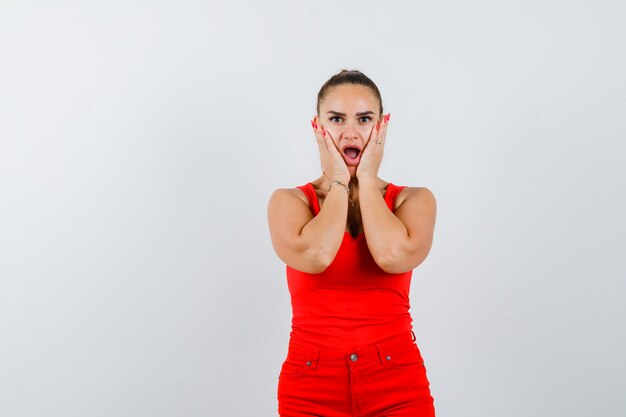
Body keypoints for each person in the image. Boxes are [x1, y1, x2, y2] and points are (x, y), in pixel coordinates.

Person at [267, 69, 437, 417]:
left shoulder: (414, 201)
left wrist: (369, 180)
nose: (350, 131)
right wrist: (342, 181)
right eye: (336, 119)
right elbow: (316, 254)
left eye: (364, 119)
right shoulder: (289, 202)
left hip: (397, 381)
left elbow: (392, 255)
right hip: (310, 384)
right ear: (317, 127)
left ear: (382, 126)